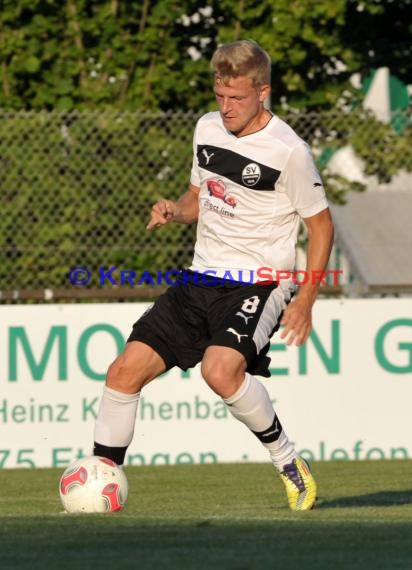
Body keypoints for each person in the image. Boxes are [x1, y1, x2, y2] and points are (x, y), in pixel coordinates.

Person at [93, 39, 334, 511]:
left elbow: (321, 226)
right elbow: (197, 199)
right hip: (201, 276)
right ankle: (100, 481)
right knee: (122, 373)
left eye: (237, 98)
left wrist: (305, 299)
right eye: (220, 95)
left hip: (261, 280)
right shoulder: (207, 128)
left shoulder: (289, 151)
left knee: (219, 370)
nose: (225, 107)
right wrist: (174, 211)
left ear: (262, 91)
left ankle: (287, 459)